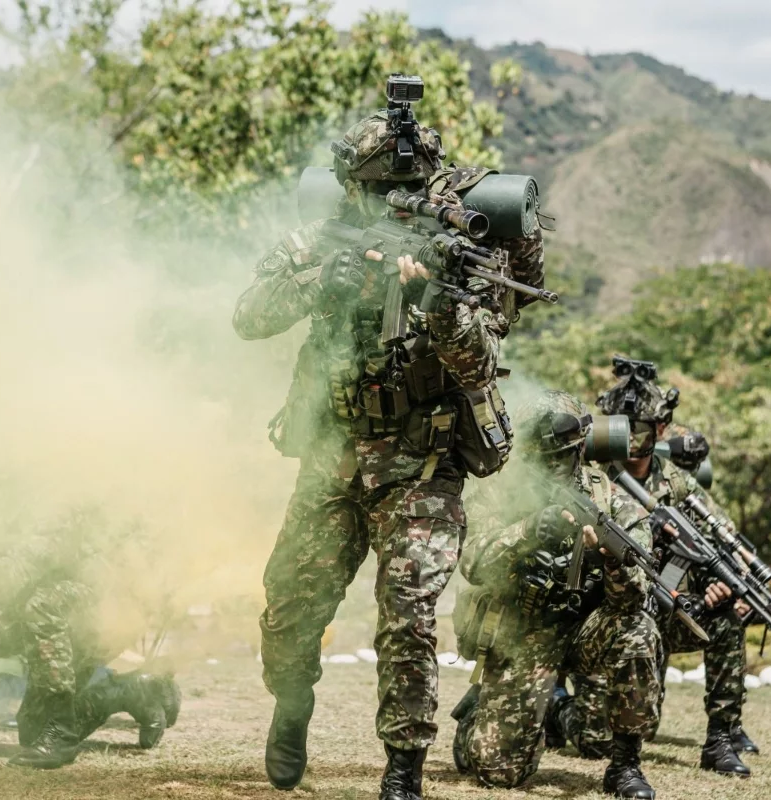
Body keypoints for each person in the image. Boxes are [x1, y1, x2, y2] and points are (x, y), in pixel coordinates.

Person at [234, 77, 545, 800]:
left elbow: (481, 362)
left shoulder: (462, 252)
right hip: (333, 455)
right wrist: (323, 280)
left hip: (422, 463)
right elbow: (248, 317)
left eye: (403, 189)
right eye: (376, 191)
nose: (390, 202)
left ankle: (403, 767)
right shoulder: (320, 240)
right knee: (288, 608)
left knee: (408, 620)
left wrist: (439, 303)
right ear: (351, 187)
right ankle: (293, 703)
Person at [450, 390, 660, 798]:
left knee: (639, 630)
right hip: (523, 634)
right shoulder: (501, 492)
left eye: (559, 457)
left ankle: (625, 766)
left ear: (579, 450)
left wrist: (612, 563)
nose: (549, 466)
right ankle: (481, 708)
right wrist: (527, 531)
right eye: (540, 457)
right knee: (498, 771)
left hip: (585, 630)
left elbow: (635, 597)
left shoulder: (610, 500)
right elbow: (471, 561)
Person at [569, 356, 754, 777]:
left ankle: (721, 739)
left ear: (662, 428)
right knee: (593, 741)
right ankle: (556, 707)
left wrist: (718, 587)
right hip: (602, 616)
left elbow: (719, 538)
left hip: (661, 607)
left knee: (725, 619)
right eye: (624, 424)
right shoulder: (591, 474)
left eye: (642, 425)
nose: (632, 434)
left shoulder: (678, 484)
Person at [0, 508, 180, 769]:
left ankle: (62, 732)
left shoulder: (62, 511)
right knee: (32, 731)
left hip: (111, 609)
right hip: (81, 619)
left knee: (40, 606)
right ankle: (129, 691)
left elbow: (32, 562)